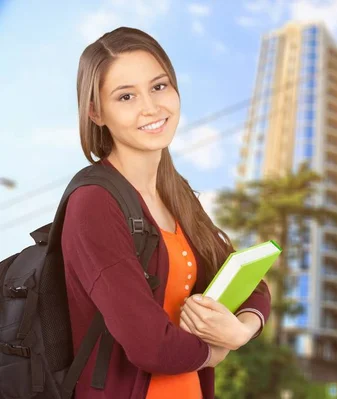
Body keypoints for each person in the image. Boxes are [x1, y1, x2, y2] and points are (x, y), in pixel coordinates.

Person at [61, 26, 271, 399]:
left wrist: (242, 329)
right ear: (95, 111)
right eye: (126, 96)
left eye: (159, 87)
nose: (151, 107)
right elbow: (150, 346)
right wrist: (215, 352)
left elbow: (248, 283)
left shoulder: (176, 194)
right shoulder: (93, 203)